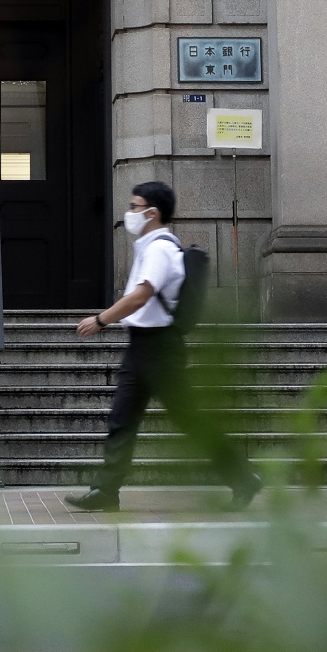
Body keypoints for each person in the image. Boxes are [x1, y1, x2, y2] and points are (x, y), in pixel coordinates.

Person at [65, 181, 260, 513]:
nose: (130, 213)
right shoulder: (150, 246)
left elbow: (141, 295)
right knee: (122, 419)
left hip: (160, 348)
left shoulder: (160, 249)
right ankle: (106, 491)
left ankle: (243, 478)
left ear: (152, 213)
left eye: (135, 206)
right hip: (142, 346)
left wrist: (101, 320)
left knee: (190, 421)